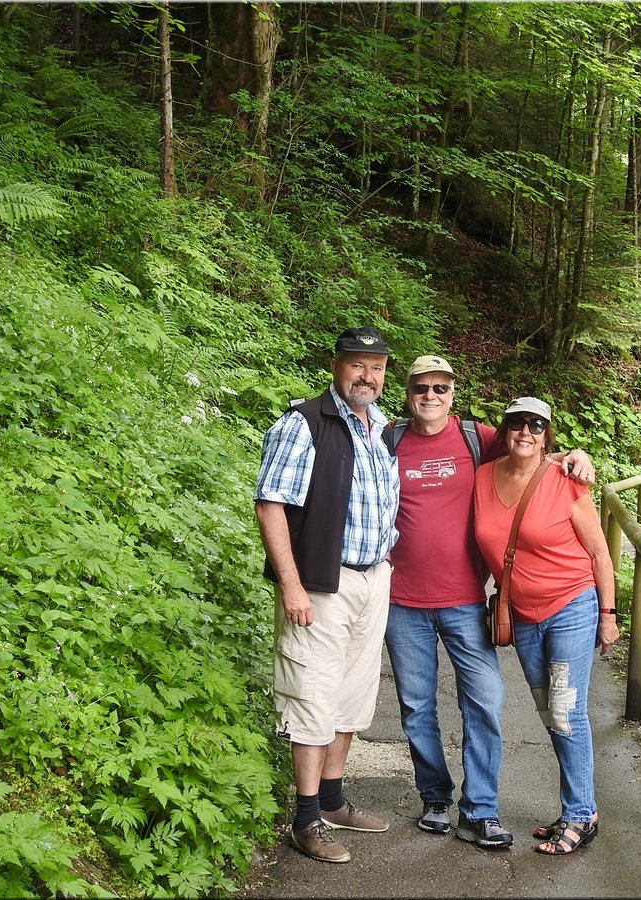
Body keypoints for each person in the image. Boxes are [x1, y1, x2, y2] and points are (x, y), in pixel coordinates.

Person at [385, 359, 595, 850]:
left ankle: (479, 811)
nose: (431, 395)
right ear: (409, 392)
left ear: (453, 393)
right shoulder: (387, 439)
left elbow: (531, 450)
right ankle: (435, 797)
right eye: (421, 387)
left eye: (441, 387)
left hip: (464, 601)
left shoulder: (475, 437)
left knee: (484, 702)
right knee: (416, 706)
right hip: (401, 600)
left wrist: (575, 455)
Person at [254, 326, 401, 865]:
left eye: (378, 366)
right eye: (358, 365)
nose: (368, 375)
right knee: (312, 695)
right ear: (337, 366)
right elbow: (271, 504)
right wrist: (291, 584)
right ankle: (306, 817)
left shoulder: (383, 428)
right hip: (320, 582)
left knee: (352, 696)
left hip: (372, 578)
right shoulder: (304, 424)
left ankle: (335, 802)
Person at [472, 396, 620, 856]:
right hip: (522, 614)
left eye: (537, 426)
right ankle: (578, 806)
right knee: (548, 712)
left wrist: (609, 615)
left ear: (547, 435)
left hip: (571, 604)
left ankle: (581, 815)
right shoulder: (482, 477)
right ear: (505, 429)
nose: (526, 432)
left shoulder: (564, 480)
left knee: (566, 709)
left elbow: (598, 553)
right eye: (518, 423)